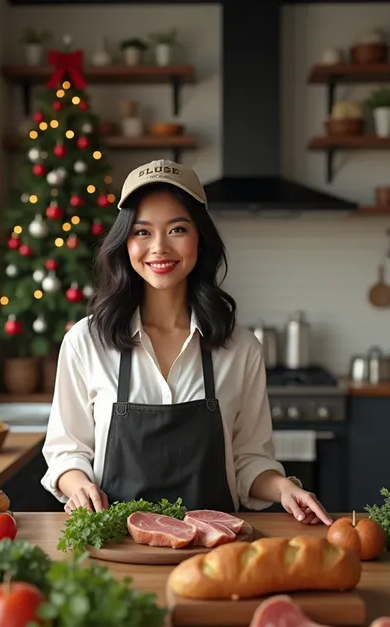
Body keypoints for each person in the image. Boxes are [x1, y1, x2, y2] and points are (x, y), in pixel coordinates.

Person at [41, 159, 332, 526]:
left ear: (200, 239)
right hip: (117, 550)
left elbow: (248, 460)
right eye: (142, 232)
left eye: (177, 229)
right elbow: (67, 451)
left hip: (215, 554)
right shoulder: (87, 341)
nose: (159, 247)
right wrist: (79, 484)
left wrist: (284, 489)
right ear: (125, 242)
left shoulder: (239, 347)